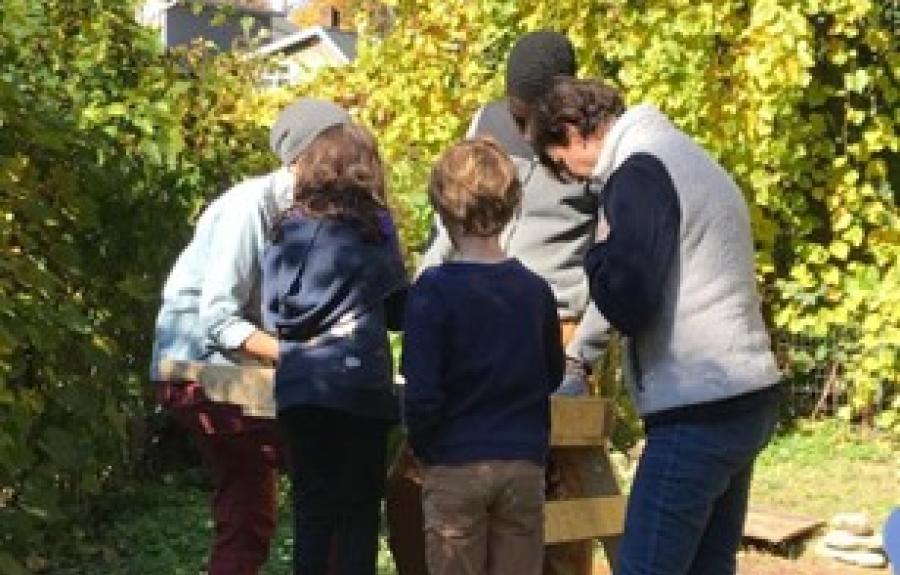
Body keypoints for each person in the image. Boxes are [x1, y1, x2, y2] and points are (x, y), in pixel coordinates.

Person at [531, 77, 782, 575]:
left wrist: (595, 258)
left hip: (697, 409)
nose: (576, 179)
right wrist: (583, 351)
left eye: (563, 163)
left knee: (645, 565)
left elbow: (629, 296)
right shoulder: (683, 156)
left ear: (573, 132)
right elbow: (652, 274)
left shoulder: (638, 173)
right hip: (745, 394)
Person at [389, 31, 616, 575]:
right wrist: (429, 284)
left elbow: (614, 257)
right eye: (515, 113)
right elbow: (461, 198)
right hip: (467, 306)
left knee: (558, 503)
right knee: (409, 487)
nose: (521, 128)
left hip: (552, 322)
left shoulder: (594, 143)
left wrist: (581, 354)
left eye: (531, 117)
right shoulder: (485, 123)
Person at [151, 97, 350, 575]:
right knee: (319, 482)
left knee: (253, 511)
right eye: (340, 153)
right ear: (303, 157)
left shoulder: (314, 213)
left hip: (241, 370)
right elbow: (218, 319)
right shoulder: (249, 207)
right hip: (200, 369)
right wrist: (302, 357)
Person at [402, 137, 564, 575]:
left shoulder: (432, 292)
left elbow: (422, 392)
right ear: (513, 204)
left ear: (441, 206)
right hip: (522, 460)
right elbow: (551, 374)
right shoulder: (536, 292)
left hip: (454, 460)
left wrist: (422, 445)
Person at [262, 121, 408, 575]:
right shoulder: (374, 227)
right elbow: (401, 311)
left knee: (312, 512)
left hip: (299, 386)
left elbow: (272, 314)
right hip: (359, 387)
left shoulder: (285, 228)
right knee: (358, 514)